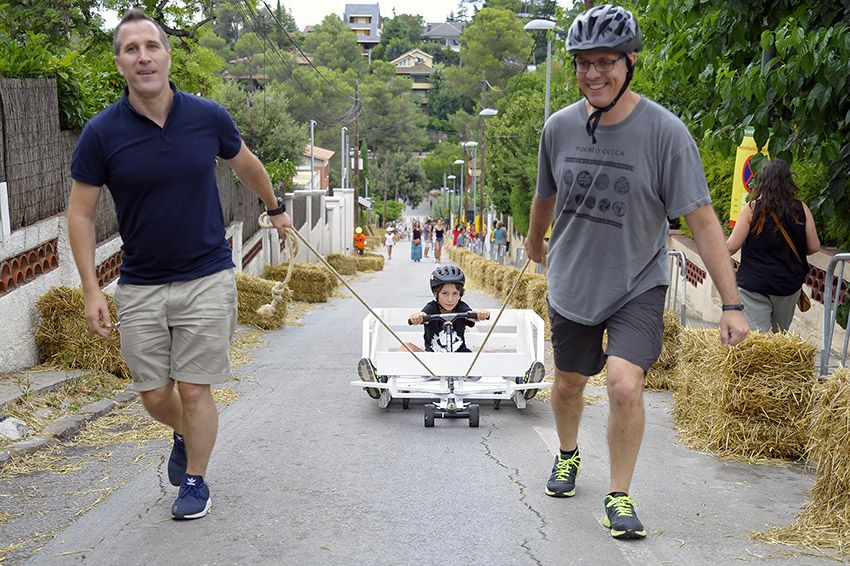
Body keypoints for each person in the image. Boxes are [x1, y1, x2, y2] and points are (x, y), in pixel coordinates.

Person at [524, 4, 749, 540]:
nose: (592, 74)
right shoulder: (558, 128)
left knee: (625, 386)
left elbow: (702, 218)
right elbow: (543, 195)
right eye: (582, 63)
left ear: (629, 63)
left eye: (605, 62)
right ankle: (568, 453)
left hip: (637, 282)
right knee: (569, 384)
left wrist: (732, 302)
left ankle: (619, 496)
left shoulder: (666, 134)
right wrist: (535, 242)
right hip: (573, 280)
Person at [66, 9, 292, 521]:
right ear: (120, 62)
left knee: (194, 387)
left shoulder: (207, 117)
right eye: (131, 49)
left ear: (168, 55)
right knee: (153, 394)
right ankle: (186, 434)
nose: (143, 57)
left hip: (207, 274)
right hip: (141, 282)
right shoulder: (102, 133)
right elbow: (79, 214)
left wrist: (275, 209)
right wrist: (91, 289)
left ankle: (195, 478)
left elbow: (247, 165)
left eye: (152, 46)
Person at [726, 158, 820, 332]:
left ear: (762, 182)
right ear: (789, 182)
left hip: (754, 284)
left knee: (759, 342)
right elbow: (814, 246)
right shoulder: (801, 209)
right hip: (787, 285)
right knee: (777, 342)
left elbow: (731, 246)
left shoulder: (752, 209)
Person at [404, 266, 489, 352]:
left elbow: (469, 313)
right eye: (445, 293)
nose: (450, 299)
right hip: (431, 359)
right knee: (406, 347)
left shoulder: (460, 307)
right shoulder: (432, 307)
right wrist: (417, 317)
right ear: (436, 294)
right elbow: (424, 314)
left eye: (455, 293)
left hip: (461, 358)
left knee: (490, 352)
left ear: (460, 294)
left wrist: (479, 313)